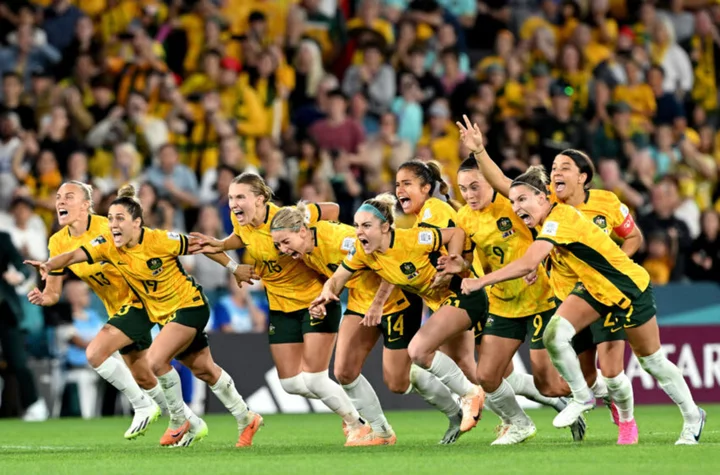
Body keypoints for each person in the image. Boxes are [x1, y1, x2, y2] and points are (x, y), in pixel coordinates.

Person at [460, 166, 706, 446]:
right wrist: (539, 262)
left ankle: (692, 416)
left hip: (626, 287)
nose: (516, 208)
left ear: (543, 198)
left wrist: (481, 281)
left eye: (522, 200)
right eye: (513, 202)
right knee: (556, 333)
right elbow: (548, 252)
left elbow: (528, 260)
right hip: (593, 289)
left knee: (653, 362)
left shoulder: (558, 218)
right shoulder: (544, 219)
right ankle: (582, 396)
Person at [26, 185, 263, 448]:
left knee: (152, 360)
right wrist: (49, 265)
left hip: (187, 304)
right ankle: (246, 417)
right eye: (112, 219)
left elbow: (201, 244)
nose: (113, 225)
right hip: (157, 311)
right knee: (203, 369)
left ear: (136, 223)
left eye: (119, 220)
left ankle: (175, 420)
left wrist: (234, 267)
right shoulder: (103, 243)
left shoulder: (158, 239)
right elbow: (73, 256)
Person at [460, 115, 642, 444]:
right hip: (547, 297)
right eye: (554, 168)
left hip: (588, 293)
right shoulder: (546, 205)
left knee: (590, 374)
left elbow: (633, 239)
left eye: (564, 168)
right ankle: (575, 401)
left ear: (582, 177)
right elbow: (504, 182)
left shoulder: (605, 202)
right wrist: (480, 151)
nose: (556, 173)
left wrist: (614, 271)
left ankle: (630, 410)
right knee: (523, 380)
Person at [188, 172, 371, 445]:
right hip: (280, 307)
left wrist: (321, 239)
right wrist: (230, 260)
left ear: (260, 199)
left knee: (316, 379)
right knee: (292, 384)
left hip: (315, 301)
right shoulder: (245, 225)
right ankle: (348, 409)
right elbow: (242, 240)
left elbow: (332, 210)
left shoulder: (286, 218)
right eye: (230, 198)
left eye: (240, 197)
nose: (233, 203)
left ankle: (358, 424)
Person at [270, 204, 465, 445]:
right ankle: (381, 432)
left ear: (301, 231)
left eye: (285, 242)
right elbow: (338, 276)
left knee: (397, 382)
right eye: (278, 245)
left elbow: (389, 258)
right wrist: (323, 298)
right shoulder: (307, 250)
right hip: (360, 303)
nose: (283, 249)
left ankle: (455, 413)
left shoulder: (340, 240)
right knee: (344, 372)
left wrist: (378, 303)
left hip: (396, 302)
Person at [312, 194, 486, 441]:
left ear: (385, 227)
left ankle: (472, 395)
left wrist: (453, 261)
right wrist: (326, 293)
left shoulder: (414, 238)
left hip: (464, 295)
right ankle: (490, 411)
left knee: (431, 354)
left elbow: (455, 232)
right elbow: (338, 278)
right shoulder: (362, 251)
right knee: (406, 376)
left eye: (366, 226)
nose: (359, 232)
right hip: (439, 303)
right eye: (357, 225)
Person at [437, 158, 586, 444]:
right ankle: (519, 424)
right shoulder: (465, 218)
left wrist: (538, 266)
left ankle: (604, 387)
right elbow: (470, 261)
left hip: (540, 298)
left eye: (475, 187)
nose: (469, 195)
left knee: (551, 385)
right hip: (502, 302)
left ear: (491, 184)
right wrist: (460, 266)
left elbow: (546, 235)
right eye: (464, 189)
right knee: (487, 376)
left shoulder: (514, 204)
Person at [26, 180, 164, 438]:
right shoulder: (57, 242)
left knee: (96, 353)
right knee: (144, 374)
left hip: (142, 299)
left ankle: (143, 405)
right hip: (116, 308)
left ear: (86, 206)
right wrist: (45, 297)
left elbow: (143, 246)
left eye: (69, 196)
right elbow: (54, 292)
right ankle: (187, 420)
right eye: (58, 197)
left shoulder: (107, 226)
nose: (60, 202)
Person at [393, 160, 481, 393]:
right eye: (397, 185)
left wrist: (448, 266)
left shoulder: (434, 209)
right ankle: (511, 415)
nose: (400, 190)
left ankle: (473, 405)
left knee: (422, 354)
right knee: (467, 367)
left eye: (406, 183)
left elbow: (453, 236)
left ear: (425, 188)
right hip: (451, 298)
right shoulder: (421, 219)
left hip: (465, 294)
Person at [0, 230, 48, 421]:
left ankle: (34, 404)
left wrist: (17, 276)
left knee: (18, 360)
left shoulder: (2, 238)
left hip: (5, 309)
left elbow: (22, 267)